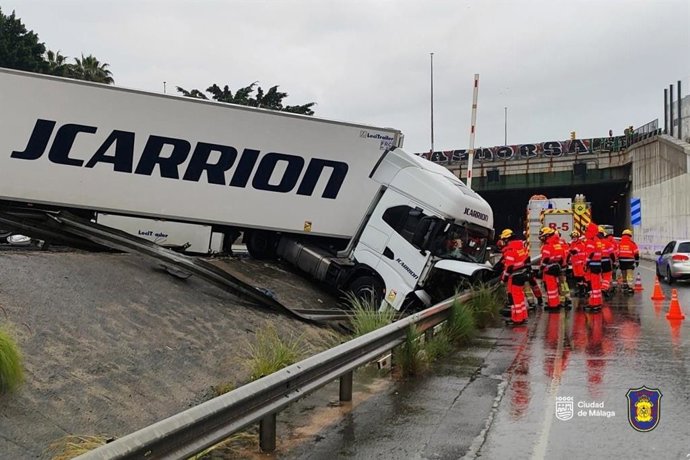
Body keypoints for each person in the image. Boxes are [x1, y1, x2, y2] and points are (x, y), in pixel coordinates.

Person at [497, 228, 529, 325]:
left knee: (514, 298)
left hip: (514, 276)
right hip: (522, 274)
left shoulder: (510, 249)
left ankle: (517, 319)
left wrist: (504, 279)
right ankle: (522, 316)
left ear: (507, 239)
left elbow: (509, 266)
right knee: (520, 296)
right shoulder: (520, 247)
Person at [539, 226, 563, 311]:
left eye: (543, 236)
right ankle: (556, 302)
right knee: (555, 287)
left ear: (547, 236)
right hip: (556, 267)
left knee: (551, 288)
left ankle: (553, 306)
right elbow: (561, 256)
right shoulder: (557, 244)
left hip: (549, 269)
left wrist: (541, 268)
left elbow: (545, 258)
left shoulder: (547, 245)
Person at [584, 222, 604, 311]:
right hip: (597, 263)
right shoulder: (597, 239)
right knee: (596, 285)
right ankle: (596, 302)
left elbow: (590, 253)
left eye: (586, 229)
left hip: (592, 264)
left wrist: (586, 263)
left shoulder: (591, 240)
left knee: (594, 285)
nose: (585, 231)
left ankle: (594, 304)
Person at [617, 229, 640, 294]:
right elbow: (636, 253)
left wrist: (617, 261)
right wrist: (637, 261)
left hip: (622, 261)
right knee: (630, 275)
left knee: (624, 274)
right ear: (630, 236)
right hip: (630, 261)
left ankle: (625, 285)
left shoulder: (619, 243)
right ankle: (630, 287)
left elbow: (617, 253)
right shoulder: (632, 243)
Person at [568, 230, 588, 298]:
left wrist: (568, 249)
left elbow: (573, 251)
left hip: (580, 264)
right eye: (573, 237)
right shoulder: (573, 244)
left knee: (581, 277)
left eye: (575, 237)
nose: (574, 238)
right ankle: (581, 290)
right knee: (578, 278)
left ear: (578, 237)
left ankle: (584, 291)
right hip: (575, 264)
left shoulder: (580, 244)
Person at [599, 226, 616, 298]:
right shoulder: (607, 243)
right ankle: (604, 288)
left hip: (596, 262)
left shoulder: (594, 243)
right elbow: (611, 254)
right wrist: (614, 261)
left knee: (599, 276)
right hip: (606, 261)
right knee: (607, 276)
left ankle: (599, 288)